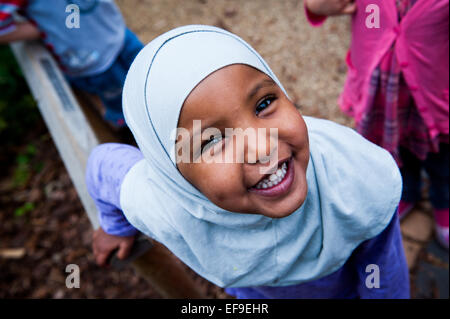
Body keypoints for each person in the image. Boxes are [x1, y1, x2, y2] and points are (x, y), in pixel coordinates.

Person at [86, 25, 409, 298]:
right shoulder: (168, 205)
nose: (260, 148)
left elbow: (383, 274)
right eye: (211, 140)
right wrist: (116, 226)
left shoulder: (357, 178)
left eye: (265, 103)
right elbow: (103, 165)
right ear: (173, 174)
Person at [304, 0, 449, 249]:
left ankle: (444, 203)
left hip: (434, 98)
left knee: (442, 161)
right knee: (392, 152)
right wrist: (319, 5)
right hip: (381, 96)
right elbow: (319, 6)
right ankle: (405, 192)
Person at [0, 0, 143, 129]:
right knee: (124, 105)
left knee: (147, 73)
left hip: (114, 29)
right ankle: (130, 132)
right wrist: (43, 27)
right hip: (91, 61)